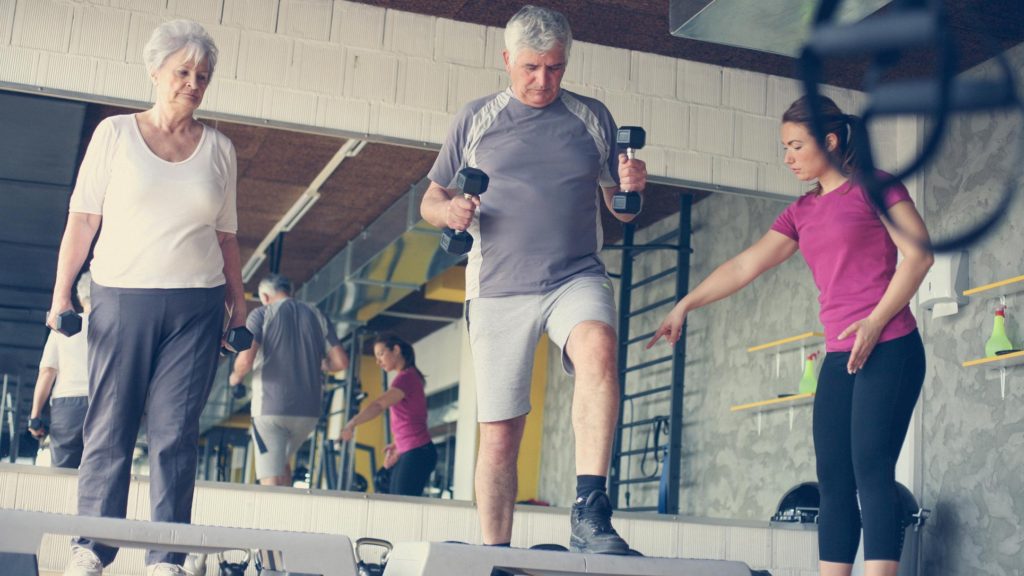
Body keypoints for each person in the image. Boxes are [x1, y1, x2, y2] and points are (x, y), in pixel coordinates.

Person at [649, 95, 933, 576]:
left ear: (831, 140)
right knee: (834, 478)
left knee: (871, 467)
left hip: (891, 346)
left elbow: (919, 256)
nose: (788, 157)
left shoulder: (875, 187)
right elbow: (746, 264)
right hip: (842, 355)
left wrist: (875, 320)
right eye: (785, 147)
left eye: (796, 145)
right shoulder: (802, 212)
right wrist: (684, 304)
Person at [420, 5, 646, 554]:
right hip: (498, 287)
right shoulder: (476, 118)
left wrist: (632, 186)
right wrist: (449, 213)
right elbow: (431, 199)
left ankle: (590, 511)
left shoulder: (592, 117)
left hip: (575, 275)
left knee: (598, 347)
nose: (543, 80)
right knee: (501, 433)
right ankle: (496, 551)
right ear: (507, 61)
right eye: (530, 68)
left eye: (555, 68)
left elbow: (621, 209)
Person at [47, 20, 248, 576]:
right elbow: (83, 220)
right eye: (182, 71)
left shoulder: (220, 150)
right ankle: (92, 547)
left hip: (197, 307)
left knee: (175, 434)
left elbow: (226, 237)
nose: (192, 83)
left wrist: (240, 304)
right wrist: (62, 293)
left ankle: (166, 557)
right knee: (109, 426)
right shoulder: (114, 135)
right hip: (121, 297)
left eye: (202, 75)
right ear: (155, 72)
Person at [229, 274, 349, 486]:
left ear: (264, 296)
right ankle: (288, 518)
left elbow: (245, 360)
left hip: (271, 409)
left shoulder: (261, 314)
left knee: (270, 479)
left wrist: (235, 377)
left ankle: (270, 520)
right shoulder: (316, 314)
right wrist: (322, 365)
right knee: (282, 464)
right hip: (308, 413)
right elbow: (340, 362)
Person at [337, 334, 437, 497]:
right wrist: (398, 444)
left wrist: (352, 423)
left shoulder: (405, 378)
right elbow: (411, 417)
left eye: (381, 354)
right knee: (394, 500)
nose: (378, 362)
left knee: (400, 506)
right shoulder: (409, 377)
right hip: (413, 450)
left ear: (396, 350)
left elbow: (379, 405)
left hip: (418, 451)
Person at [29, 271, 93, 468]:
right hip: (103, 402)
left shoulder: (64, 328)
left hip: (67, 407)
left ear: (80, 296)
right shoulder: (115, 328)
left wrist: (35, 417)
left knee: (63, 473)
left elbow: (47, 373)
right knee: (100, 470)